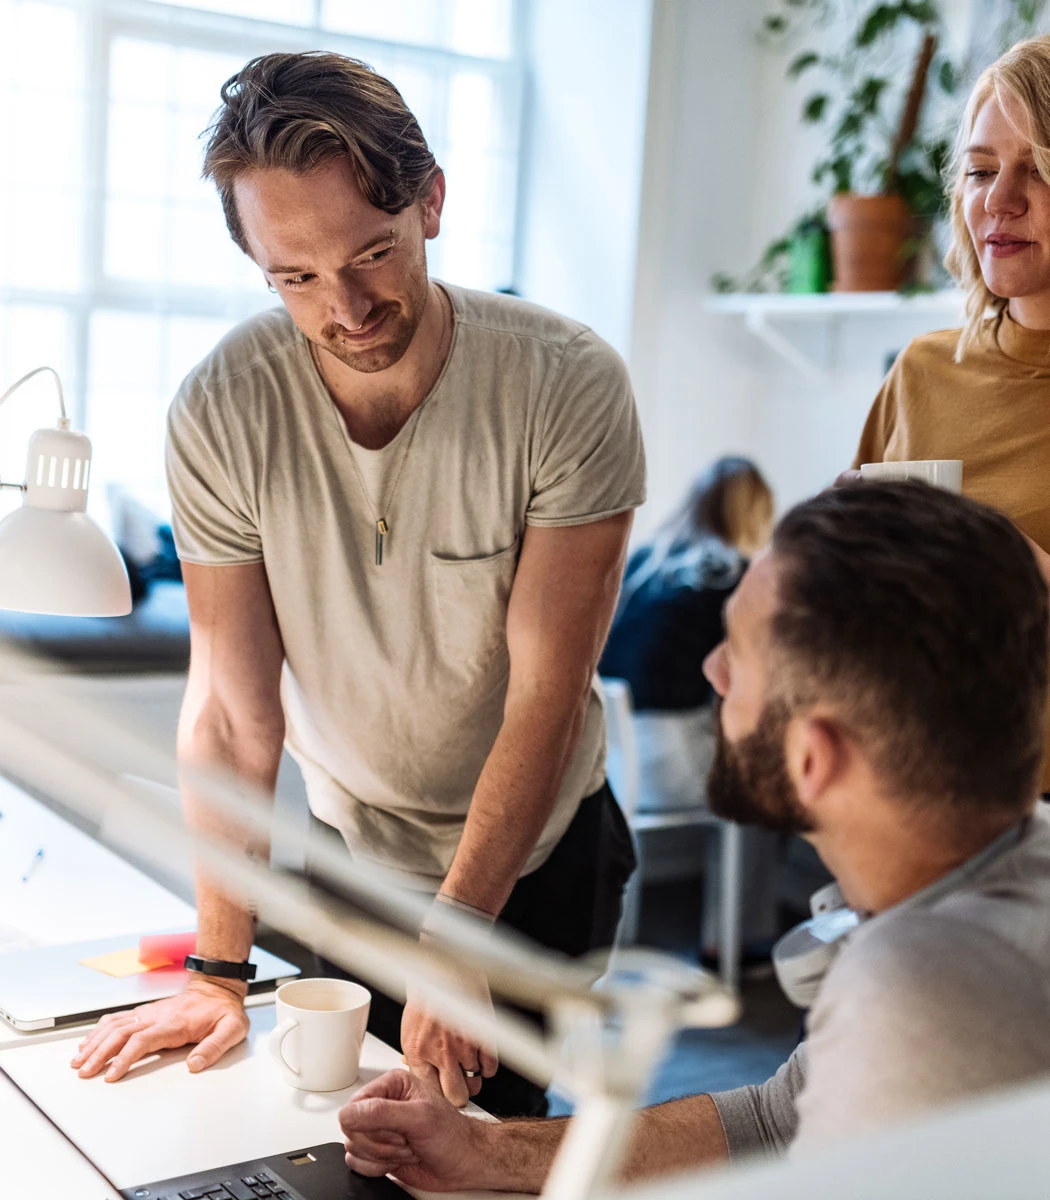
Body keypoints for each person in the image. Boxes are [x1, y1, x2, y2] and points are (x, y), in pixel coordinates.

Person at [69, 51, 643, 1118]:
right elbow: (236, 718)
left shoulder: (566, 382)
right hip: (356, 843)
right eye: (296, 277)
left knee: (488, 1146)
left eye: (372, 253)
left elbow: (546, 693)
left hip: (540, 851)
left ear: (430, 202)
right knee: (352, 1131)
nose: (346, 307)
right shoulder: (225, 410)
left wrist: (459, 933)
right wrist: (220, 969)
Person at [338, 481, 1050, 1188]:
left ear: (813, 757)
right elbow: (777, 1121)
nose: (711, 670)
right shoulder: (1011, 866)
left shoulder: (921, 993)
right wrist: (481, 1151)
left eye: (736, 655)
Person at [851, 35, 1050, 789]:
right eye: (979, 170)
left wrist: (1000, 561)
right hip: (918, 789)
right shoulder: (924, 370)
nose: (999, 200)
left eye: (1036, 169)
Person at [599, 456, 782, 952]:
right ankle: (739, 943)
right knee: (761, 792)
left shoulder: (642, 563)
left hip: (617, 759)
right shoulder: (731, 576)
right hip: (672, 762)